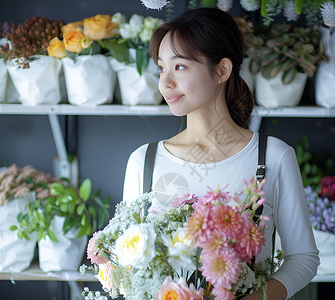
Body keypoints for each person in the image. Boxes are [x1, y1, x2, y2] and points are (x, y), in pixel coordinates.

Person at [122, 7, 319, 299]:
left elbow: (303, 258)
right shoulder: (144, 161)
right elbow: (127, 265)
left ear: (222, 70)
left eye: (180, 67)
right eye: (161, 68)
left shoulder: (272, 157)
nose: (165, 82)